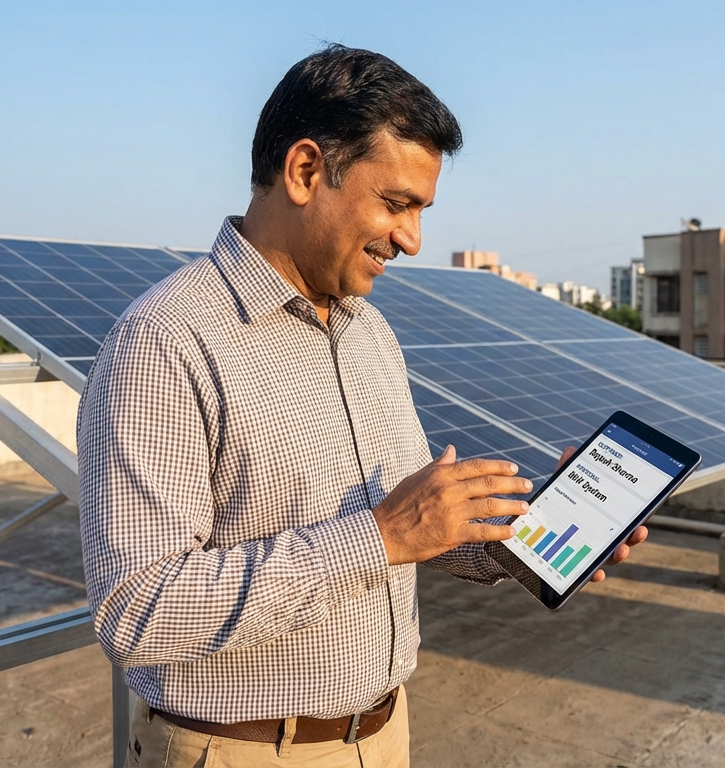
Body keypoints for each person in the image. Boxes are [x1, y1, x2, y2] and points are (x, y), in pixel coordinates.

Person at [77, 44, 647, 768]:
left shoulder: (367, 330)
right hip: (239, 754)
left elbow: (413, 528)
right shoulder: (163, 341)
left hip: (383, 738)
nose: (412, 238)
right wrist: (377, 538)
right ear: (306, 171)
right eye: (397, 203)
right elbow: (136, 608)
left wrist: (524, 538)